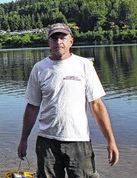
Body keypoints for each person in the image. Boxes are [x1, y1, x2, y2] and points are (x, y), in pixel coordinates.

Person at [17, 23, 119, 177]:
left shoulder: (84, 66)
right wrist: (23, 139)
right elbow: (32, 107)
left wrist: (111, 141)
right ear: (49, 42)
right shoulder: (39, 68)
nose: (59, 42)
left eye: (62, 37)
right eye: (54, 38)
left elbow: (97, 105)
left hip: (78, 140)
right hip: (47, 141)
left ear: (71, 41)